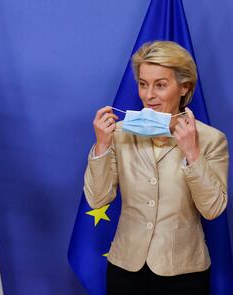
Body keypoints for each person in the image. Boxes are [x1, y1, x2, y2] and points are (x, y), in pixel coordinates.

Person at [84, 41, 228, 295]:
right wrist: (102, 147)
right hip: (125, 268)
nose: (148, 95)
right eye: (143, 84)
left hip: (184, 273)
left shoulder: (211, 139)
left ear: (184, 87)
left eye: (160, 85)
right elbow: (97, 199)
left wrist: (192, 153)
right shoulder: (119, 134)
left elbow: (213, 209)